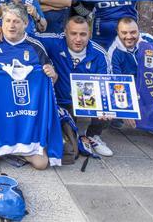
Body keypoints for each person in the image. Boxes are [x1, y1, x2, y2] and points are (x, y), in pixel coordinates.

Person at [0, 3, 57, 169]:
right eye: (7, 20)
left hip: (23, 120)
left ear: (26, 24)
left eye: (16, 21)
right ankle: (0, 142)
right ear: (1, 22)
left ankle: (16, 147)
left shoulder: (35, 47)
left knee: (41, 163)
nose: (11, 25)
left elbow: (50, 82)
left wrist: (52, 75)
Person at [34, 16, 114, 157]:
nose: (78, 39)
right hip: (61, 102)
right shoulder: (54, 42)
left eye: (83, 34)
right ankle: (75, 136)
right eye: (73, 33)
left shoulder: (100, 54)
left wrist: (105, 107)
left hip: (88, 102)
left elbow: (106, 85)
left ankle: (93, 136)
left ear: (89, 34)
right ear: (65, 32)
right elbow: (27, 36)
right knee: (67, 142)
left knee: (109, 109)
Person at [105, 18, 153, 138]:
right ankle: (118, 117)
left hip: (150, 82)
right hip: (130, 86)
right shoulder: (112, 51)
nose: (129, 36)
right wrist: (127, 110)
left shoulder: (148, 40)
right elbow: (117, 83)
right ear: (117, 32)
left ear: (139, 31)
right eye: (124, 33)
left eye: (133, 32)